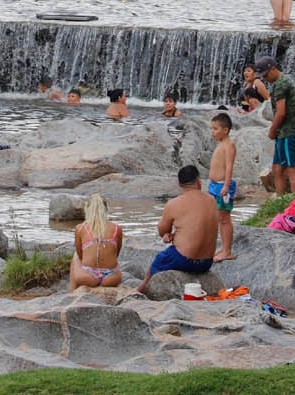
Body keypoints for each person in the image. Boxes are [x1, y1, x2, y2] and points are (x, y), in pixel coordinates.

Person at [137, 165, 220, 293]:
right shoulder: (212, 200)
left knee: (159, 260)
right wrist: (177, 234)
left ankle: (141, 290)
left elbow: (162, 230)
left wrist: (168, 234)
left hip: (184, 260)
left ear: (179, 184)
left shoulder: (174, 204)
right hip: (207, 262)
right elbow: (199, 227)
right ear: (198, 181)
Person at [259, 55, 295, 194]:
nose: (264, 79)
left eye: (265, 75)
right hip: (283, 132)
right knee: (277, 167)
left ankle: (294, 197)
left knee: (290, 167)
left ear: (273, 69)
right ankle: (280, 197)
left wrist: (272, 130)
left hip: (289, 131)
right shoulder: (283, 81)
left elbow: (281, 112)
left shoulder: (281, 85)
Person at [69, 194, 123, 288]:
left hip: (87, 277)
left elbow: (80, 255)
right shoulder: (116, 228)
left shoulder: (80, 228)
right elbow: (116, 254)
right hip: (110, 279)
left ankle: (73, 292)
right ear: (106, 209)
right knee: (115, 263)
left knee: (75, 257)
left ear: (88, 209)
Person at [207, 113, 237, 262]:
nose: (212, 131)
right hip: (214, 185)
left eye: (215, 128)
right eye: (211, 128)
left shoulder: (229, 145)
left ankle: (227, 251)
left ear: (225, 130)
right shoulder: (221, 144)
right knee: (219, 218)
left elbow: (229, 166)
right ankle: (224, 248)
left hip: (222, 186)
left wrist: (226, 185)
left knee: (224, 218)